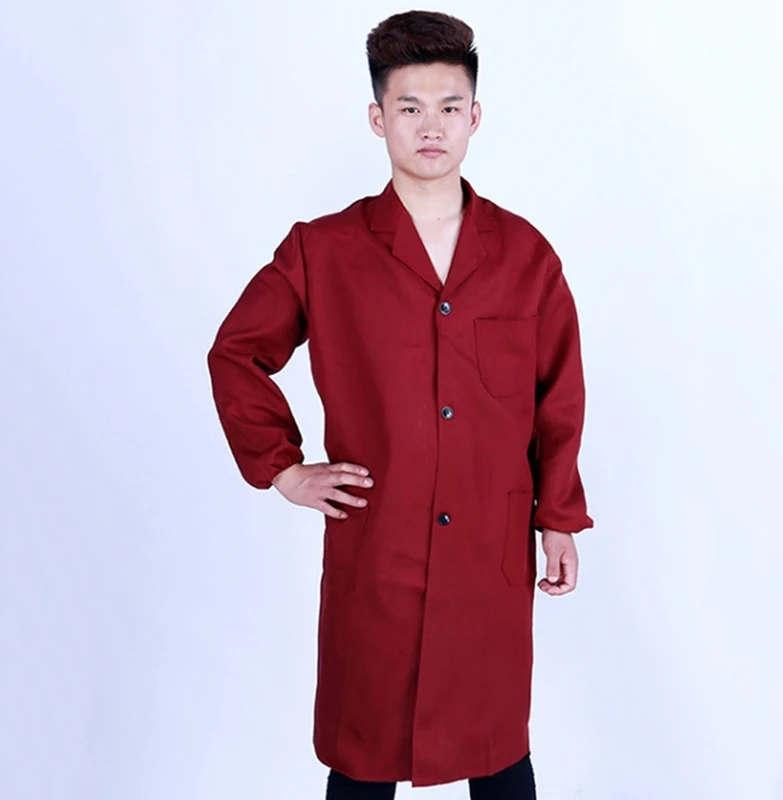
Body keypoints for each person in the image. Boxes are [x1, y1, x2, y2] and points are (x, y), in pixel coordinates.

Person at [207, 10, 593, 799]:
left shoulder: (525, 257)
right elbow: (237, 353)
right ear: (378, 117)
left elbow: (559, 396)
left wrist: (557, 517)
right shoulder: (323, 250)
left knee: (499, 755)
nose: (431, 127)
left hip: (487, 558)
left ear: (475, 117)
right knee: (363, 758)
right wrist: (283, 469)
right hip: (378, 555)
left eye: (449, 107)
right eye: (410, 107)